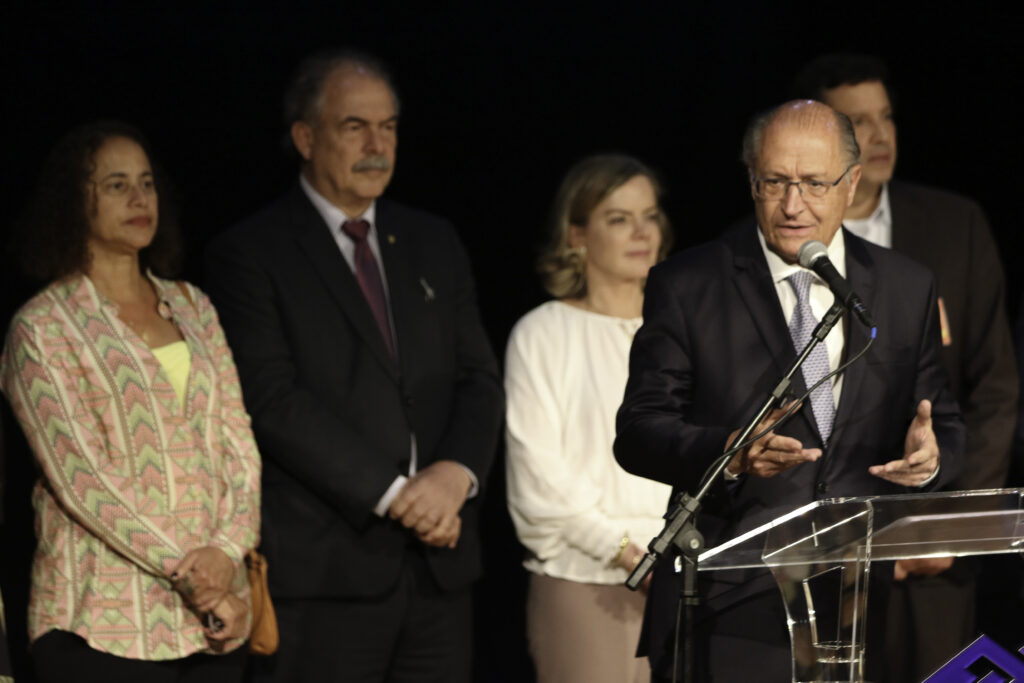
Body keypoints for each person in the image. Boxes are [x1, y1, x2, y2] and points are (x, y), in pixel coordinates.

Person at [614, 100, 965, 682]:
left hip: (855, 608)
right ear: (752, 179)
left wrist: (930, 460)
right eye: (774, 182)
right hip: (728, 607)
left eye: (813, 183)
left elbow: (944, 422)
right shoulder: (690, 284)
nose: (792, 204)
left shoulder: (906, 286)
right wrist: (729, 452)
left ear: (851, 183)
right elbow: (639, 431)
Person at [203, 49, 503, 683]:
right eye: (354, 126)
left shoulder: (434, 241)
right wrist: (396, 496)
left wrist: (455, 475)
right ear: (305, 138)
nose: (377, 144)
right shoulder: (251, 252)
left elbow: (478, 377)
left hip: (440, 572)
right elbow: (271, 397)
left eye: (389, 126)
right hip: (328, 571)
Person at [0, 121, 261, 683]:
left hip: (216, 623)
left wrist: (225, 550)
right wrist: (193, 574)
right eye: (116, 185)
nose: (140, 198)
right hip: (101, 625)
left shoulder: (194, 307)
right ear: (75, 201)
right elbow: (83, 478)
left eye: (146, 182)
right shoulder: (44, 328)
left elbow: (238, 443)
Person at [792, 53, 1018, 681]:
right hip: (827, 549)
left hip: (938, 550)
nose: (882, 134)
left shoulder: (956, 225)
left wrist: (955, 520)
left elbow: (995, 385)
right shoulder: (783, 244)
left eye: (887, 116)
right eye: (859, 121)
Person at [504, 154, 674, 683]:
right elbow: (538, 478)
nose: (641, 232)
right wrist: (625, 550)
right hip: (587, 583)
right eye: (618, 218)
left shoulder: (682, 330)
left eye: (649, 215)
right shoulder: (543, 333)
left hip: (687, 579)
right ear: (577, 234)